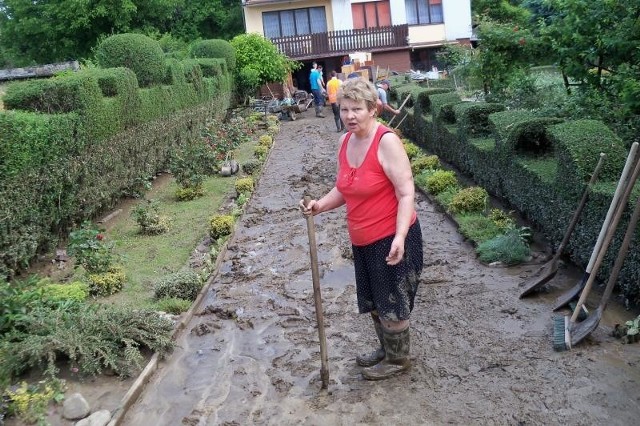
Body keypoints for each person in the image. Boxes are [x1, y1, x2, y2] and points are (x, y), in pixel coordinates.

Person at [299, 78, 423, 381]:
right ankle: (387, 350)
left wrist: (400, 237)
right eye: (344, 109)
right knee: (374, 301)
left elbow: (406, 192)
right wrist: (320, 205)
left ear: (373, 110)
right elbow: (346, 189)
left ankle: (398, 360)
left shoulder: (386, 142)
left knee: (393, 303)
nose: (350, 116)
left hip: (391, 238)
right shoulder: (345, 142)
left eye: (357, 109)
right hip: (363, 239)